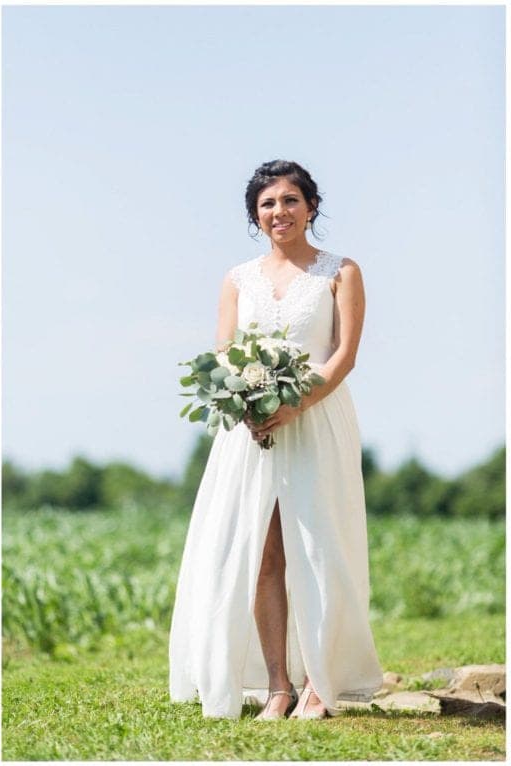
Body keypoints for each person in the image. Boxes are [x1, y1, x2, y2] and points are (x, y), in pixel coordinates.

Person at [168, 160, 383, 720]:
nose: (279, 211)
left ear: (311, 206)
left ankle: (320, 682)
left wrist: (296, 403)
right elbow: (223, 353)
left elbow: (344, 356)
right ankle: (278, 685)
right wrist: (245, 400)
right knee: (263, 553)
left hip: (317, 420)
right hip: (252, 429)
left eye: (290, 200)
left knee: (318, 547)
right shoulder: (238, 278)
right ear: (254, 216)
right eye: (267, 204)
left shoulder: (342, 271)